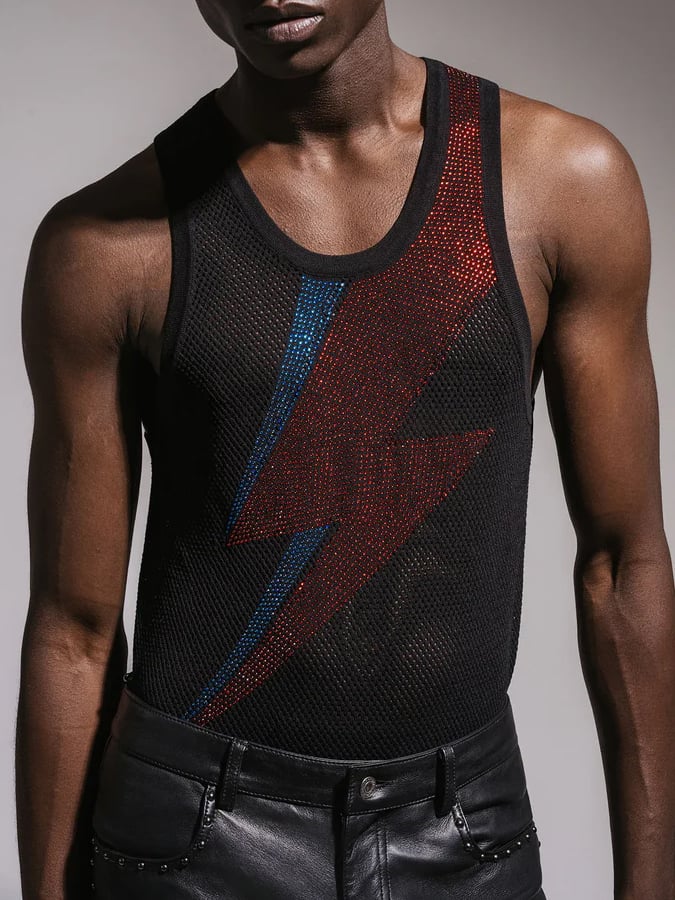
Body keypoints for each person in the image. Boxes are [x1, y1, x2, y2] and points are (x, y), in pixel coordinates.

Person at [15, 0, 675, 898]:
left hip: (462, 828)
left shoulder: (559, 182)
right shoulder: (102, 248)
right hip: (194, 842)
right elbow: (73, 628)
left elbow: (622, 565)